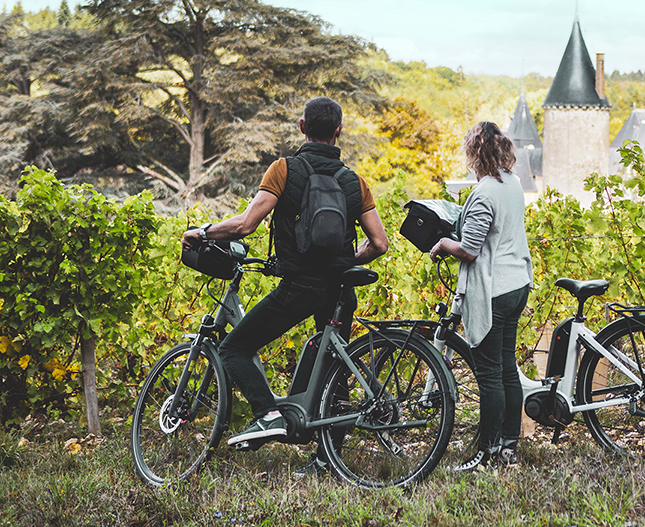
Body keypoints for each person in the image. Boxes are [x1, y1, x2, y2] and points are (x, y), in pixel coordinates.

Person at [181, 96, 388, 452]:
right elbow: (379, 244)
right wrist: (347, 260)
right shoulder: (356, 181)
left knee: (233, 349)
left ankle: (267, 415)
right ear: (339, 131)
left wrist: (203, 231)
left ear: (302, 127)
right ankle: (327, 457)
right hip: (340, 290)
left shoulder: (284, 169)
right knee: (333, 369)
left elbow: (246, 225)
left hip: (300, 285)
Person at [430, 121, 532, 470]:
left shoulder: (484, 193)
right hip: (518, 283)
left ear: (475, 153)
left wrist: (443, 244)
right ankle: (508, 448)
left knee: (489, 374)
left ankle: (486, 452)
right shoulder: (513, 184)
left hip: (494, 290)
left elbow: (470, 250)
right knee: (507, 370)